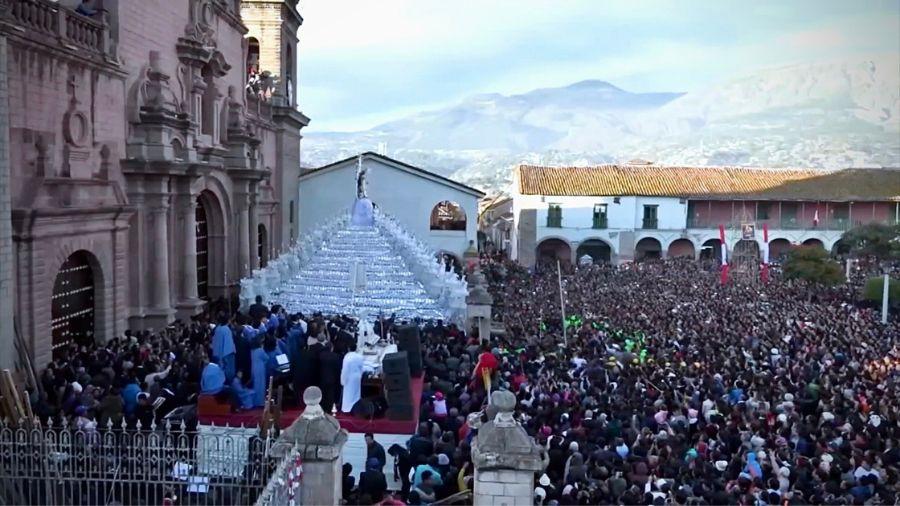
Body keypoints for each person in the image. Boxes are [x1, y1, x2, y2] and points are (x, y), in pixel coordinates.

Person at [340, 343, 364, 413]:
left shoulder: (347, 357)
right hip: (357, 377)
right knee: (356, 394)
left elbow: (345, 369)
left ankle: (347, 409)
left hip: (349, 377)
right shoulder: (359, 356)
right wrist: (360, 375)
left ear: (348, 348)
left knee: (348, 395)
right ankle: (356, 408)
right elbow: (361, 367)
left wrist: (343, 380)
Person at [211, 314, 236, 382]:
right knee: (227, 374)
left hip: (217, 354)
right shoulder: (226, 329)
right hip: (226, 355)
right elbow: (228, 346)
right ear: (228, 321)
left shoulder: (217, 329)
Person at [318, 342, 342, 413]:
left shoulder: (320, 355)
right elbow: (338, 369)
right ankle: (329, 411)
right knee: (330, 396)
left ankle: (322, 409)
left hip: (322, 378)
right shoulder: (336, 356)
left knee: (323, 395)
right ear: (332, 348)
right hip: (332, 378)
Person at [249, 339, 268, 407]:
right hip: (260, 368)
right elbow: (266, 358)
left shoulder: (251, 351)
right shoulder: (260, 350)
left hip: (253, 368)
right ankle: (260, 402)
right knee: (261, 385)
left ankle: (255, 401)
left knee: (255, 385)